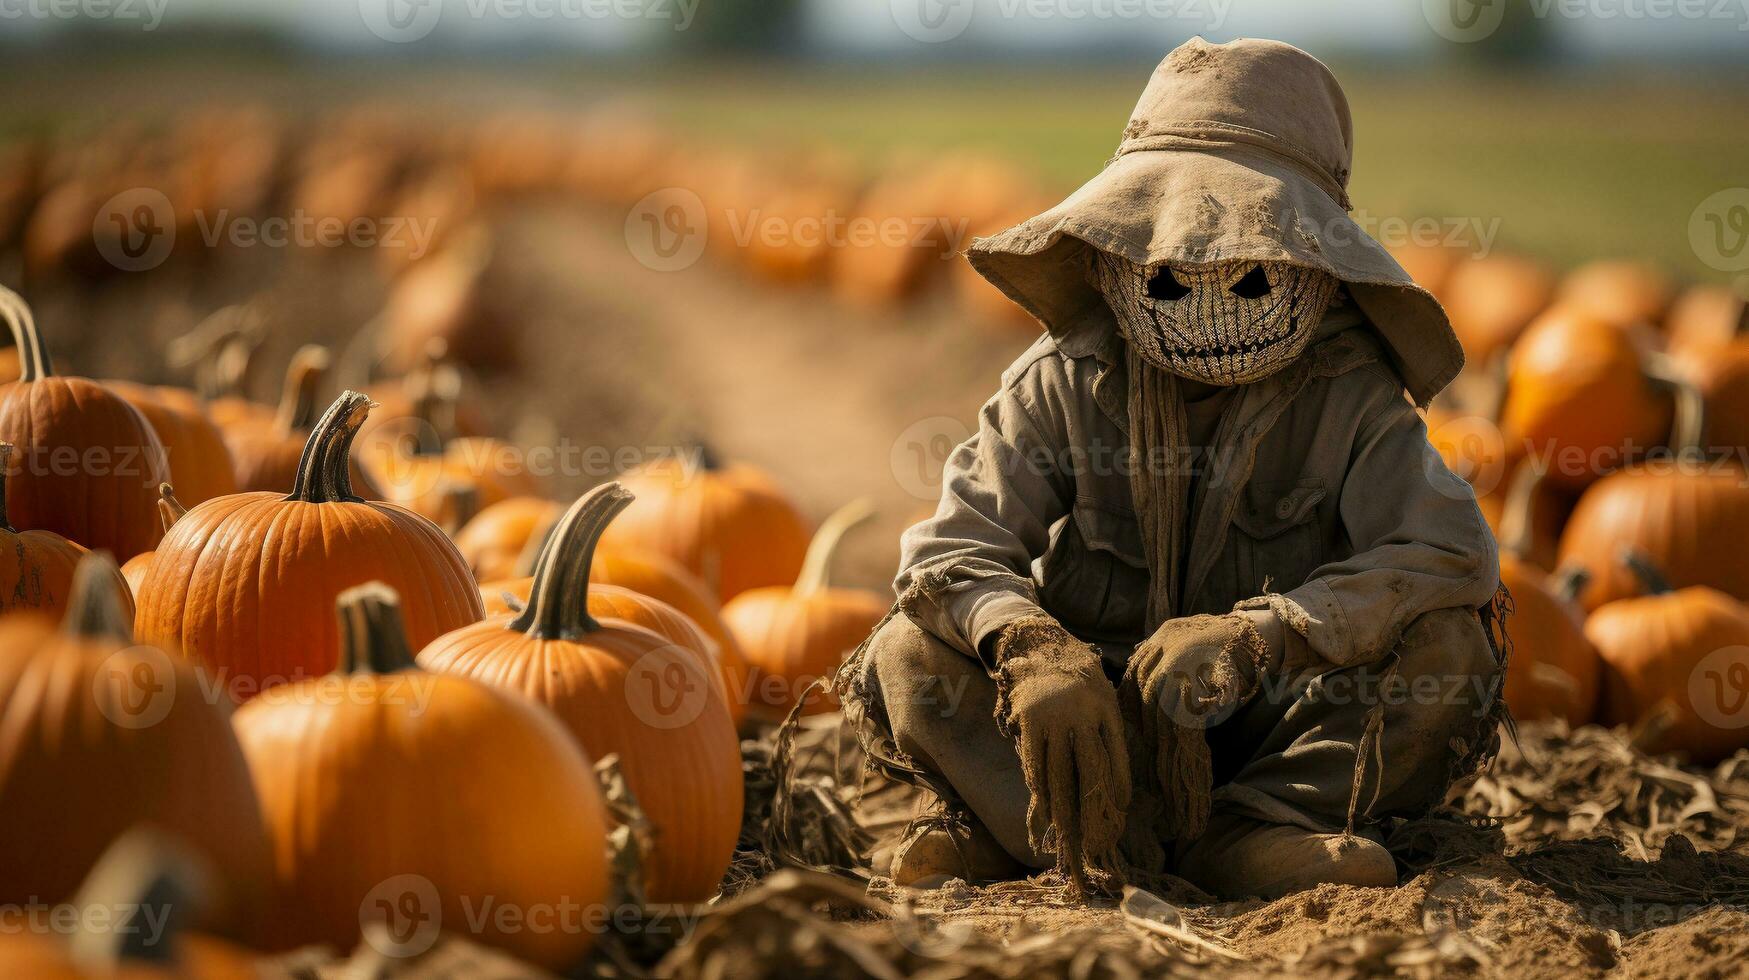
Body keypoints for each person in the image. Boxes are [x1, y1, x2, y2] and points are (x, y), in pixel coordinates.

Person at [837, 36, 1506, 900]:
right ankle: (1062, 825)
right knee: (906, 652)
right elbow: (946, 555)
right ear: (1115, 259)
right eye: (1167, 274)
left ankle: (1254, 830)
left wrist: (1270, 631)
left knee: (1452, 648)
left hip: (1275, 724)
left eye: (1253, 275)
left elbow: (1451, 553)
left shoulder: (1354, 397)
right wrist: (1029, 644)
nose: (1206, 300)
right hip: (1083, 726)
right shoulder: (1060, 380)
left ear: (1316, 269)